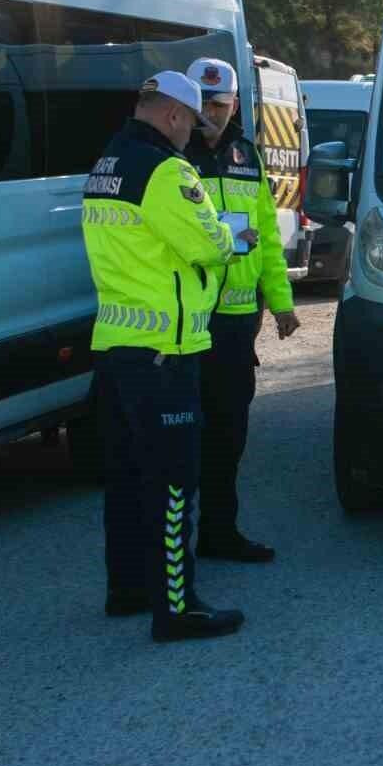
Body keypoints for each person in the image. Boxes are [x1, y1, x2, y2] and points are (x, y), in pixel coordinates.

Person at [83, 71, 243, 642]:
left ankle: (127, 589)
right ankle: (177, 609)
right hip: (165, 354)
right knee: (175, 484)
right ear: (175, 116)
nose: (190, 134)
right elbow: (209, 243)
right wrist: (232, 236)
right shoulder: (167, 172)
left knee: (126, 480)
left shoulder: (107, 163)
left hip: (117, 348)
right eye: (190, 122)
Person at [183, 57, 300, 563]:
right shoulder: (172, 155)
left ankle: (219, 532)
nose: (210, 112)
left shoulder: (245, 154)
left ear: (234, 105)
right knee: (184, 437)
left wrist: (281, 303)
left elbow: (268, 239)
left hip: (234, 325)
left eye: (220, 104)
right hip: (186, 319)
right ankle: (171, 547)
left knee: (229, 433)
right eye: (203, 102)